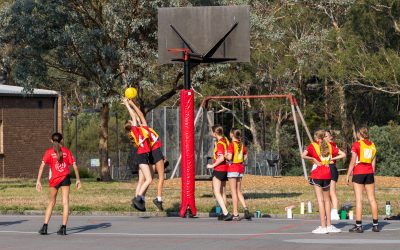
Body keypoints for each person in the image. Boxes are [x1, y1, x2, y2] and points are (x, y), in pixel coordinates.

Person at [36, 133, 81, 235]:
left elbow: (42, 166)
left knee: (51, 202)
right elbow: (75, 166)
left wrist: (38, 181)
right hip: (65, 178)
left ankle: (44, 227)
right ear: (62, 140)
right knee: (65, 203)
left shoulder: (48, 152)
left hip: (54, 180)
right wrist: (78, 179)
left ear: (51, 141)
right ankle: (64, 228)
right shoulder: (67, 151)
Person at [126, 98, 166, 211]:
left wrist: (128, 104)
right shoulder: (143, 128)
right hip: (154, 151)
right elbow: (138, 115)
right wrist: (132, 104)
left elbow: (136, 116)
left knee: (145, 179)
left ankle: (140, 199)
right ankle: (158, 199)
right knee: (161, 177)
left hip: (148, 154)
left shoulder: (140, 130)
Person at [302, 130, 345, 234]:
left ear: (317, 138)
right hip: (328, 174)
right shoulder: (330, 146)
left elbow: (303, 155)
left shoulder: (313, 146)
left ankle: (323, 226)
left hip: (317, 174)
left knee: (320, 200)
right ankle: (329, 225)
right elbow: (343, 154)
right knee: (327, 200)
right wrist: (332, 158)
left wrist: (313, 158)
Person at [346, 127, 379, 233]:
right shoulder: (372, 145)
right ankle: (376, 225)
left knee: (359, 199)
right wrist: (371, 173)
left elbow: (352, 161)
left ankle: (359, 226)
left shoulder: (357, 144)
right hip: (369, 172)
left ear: (359, 134)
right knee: (372, 199)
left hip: (359, 172)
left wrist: (348, 175)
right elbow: (373, 163)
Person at [123, 97, 152, 212]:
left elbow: (135, 117)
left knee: (141, 180)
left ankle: (136, 202)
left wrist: (129, 104)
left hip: (141, 155)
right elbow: (134, 116)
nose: (132, 120)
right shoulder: (134, 130)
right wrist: (127, 104)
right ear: (131, 125)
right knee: (149, 179)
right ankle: (138, 198)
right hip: (142, 156)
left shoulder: (137, 130)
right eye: (131, 121)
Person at [207, 125, 233, 221]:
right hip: (225, 169)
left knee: (216, 192)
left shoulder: (220, 143)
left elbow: (221, 157)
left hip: (219, 169)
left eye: (211, 132)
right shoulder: (225, 140)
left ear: (215, 133)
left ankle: (226, 212)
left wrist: (212, 165)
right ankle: (223, 212)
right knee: (222, 192)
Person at [225, 128, 251, 221]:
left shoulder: (231, 145)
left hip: (233, 169)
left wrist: (226, 156)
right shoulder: (241, 144)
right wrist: (242, 160)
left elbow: (230, 157)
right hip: (240, 168)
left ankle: (235, 213)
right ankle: (245, 209)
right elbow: (245, 155)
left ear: (232, 135)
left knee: (233, 192)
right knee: (238, 190)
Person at [325, 129, 346, 220]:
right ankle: (331, 211)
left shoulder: (332, 145)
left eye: (327, 136)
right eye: (325, 136)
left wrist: (332, 158)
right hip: (324, 169)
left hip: (331, 168)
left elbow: (343, 154)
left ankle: (334, 212)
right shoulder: (322, 146)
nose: (327, 137)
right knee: (327, 193)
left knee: (332, 192)